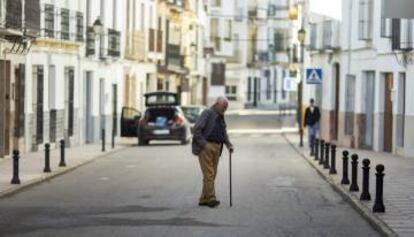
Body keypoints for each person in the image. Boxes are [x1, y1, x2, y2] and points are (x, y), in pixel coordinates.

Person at [192, 96, 234, 208]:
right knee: (209, 173)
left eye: (226, 108)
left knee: (211, 174)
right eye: (224, 107)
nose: (225, 109)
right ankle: (211, 198)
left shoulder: (221, 115)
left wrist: (228, 144)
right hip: (206, 146)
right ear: (217, 104)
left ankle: (203, 199)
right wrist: (204, 145)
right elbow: (196, 130)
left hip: (217, 147)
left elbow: (223, 132)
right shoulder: (207, 113)